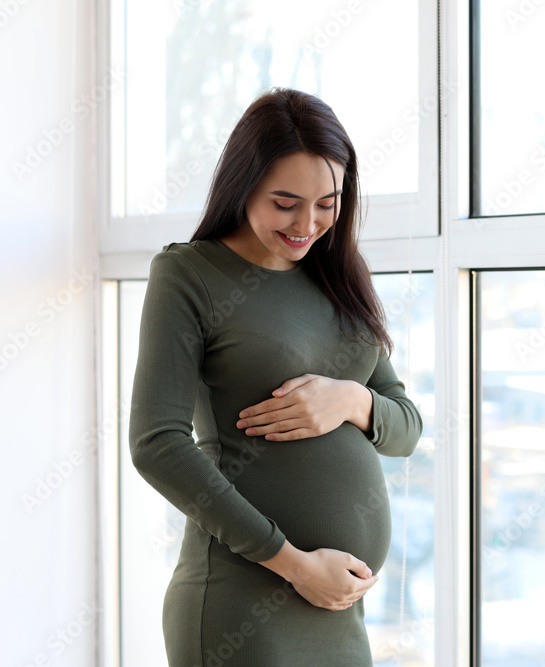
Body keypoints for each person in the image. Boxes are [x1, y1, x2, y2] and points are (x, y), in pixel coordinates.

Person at [129, 88, 422, 666]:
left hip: (339, 611)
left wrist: (350, 400)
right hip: (245, 602)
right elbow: (155, 444)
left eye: (326, 203)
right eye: (285, 202)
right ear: (243, 186)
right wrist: (293, 563)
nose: (307, 224)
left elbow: (406, 428)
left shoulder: (338, 277)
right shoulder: (189, 275)